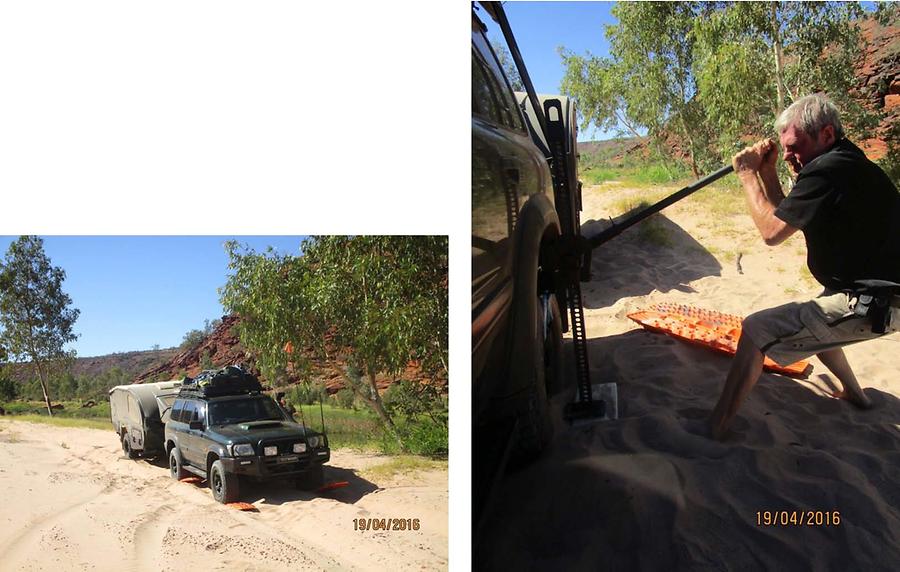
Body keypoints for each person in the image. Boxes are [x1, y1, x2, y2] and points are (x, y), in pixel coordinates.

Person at [708, 94, 900, 440]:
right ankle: (856, 395)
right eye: (784, 149)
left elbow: (770, 233)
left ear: (826, 134)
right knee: (814, 316)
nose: (788, 156)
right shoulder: (845, 162)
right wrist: (768, 173)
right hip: (876, 293)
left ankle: (715, 427)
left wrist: (748, 176)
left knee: (754, 331)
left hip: (876, 303)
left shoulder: (826, 171)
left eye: (795, 146)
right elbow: (789, 216)